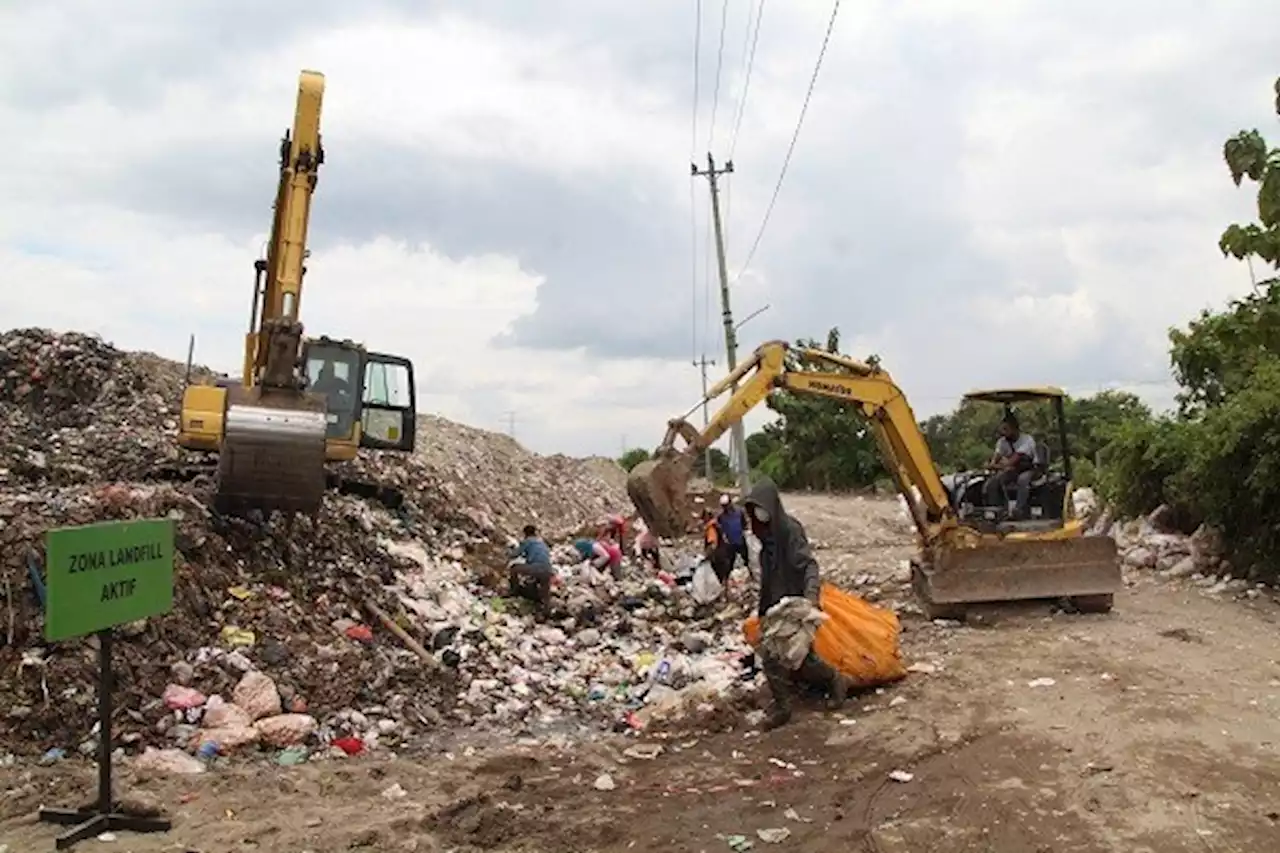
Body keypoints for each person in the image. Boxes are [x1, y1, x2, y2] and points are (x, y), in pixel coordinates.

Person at [743, 476, 850, 731]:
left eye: (760, 508)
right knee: (776, 656)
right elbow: (768, 581)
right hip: (776, 606)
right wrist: (762, 612)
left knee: (797, 658)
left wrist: (810, 599)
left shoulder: (790, 531)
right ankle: (787, 704)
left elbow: (808, 565)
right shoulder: (766, 541)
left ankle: (831, 682)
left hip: (795, 603)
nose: (757, 515)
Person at [982, 414, 1038, 519]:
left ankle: (1019, 510)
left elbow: (1013, 460)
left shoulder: (1027, 440)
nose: (1003, 432)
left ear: (1014, 428)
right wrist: (992, 464)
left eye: (1006, 429)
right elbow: (996, 457)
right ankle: (998, 511)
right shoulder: (1002, 442)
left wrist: (994, 466)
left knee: (1022, 480)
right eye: (1002, 429)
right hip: (1012, 470)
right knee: (993, 482)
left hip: (1028, 469)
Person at [508, 524, 555, 606]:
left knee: (514, 568)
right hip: (548, 570)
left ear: (525, 534)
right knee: (545, 593)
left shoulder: (527, 541)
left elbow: (515, 554)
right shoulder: (541, 542)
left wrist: (508, 552)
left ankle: (514, 591)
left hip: (536, 568)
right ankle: (547, 610)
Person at [717, 494, 750, 571]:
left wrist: (745, 532)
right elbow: (720, 529)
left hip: (740, 540)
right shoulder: (721, 516)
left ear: (730, 503)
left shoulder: (739, 512)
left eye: (726, 505)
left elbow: (744, 524)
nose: (725, 507)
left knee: (745, 559)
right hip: (730, 544)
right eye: (723, 506)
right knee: (730, 562)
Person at [702, 507, 732, 585]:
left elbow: (712, 544)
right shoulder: (718, 525)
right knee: (724, 578)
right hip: (724, 555)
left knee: (718, 579)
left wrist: (707, 557)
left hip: (717, 557)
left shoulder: (711, 528)